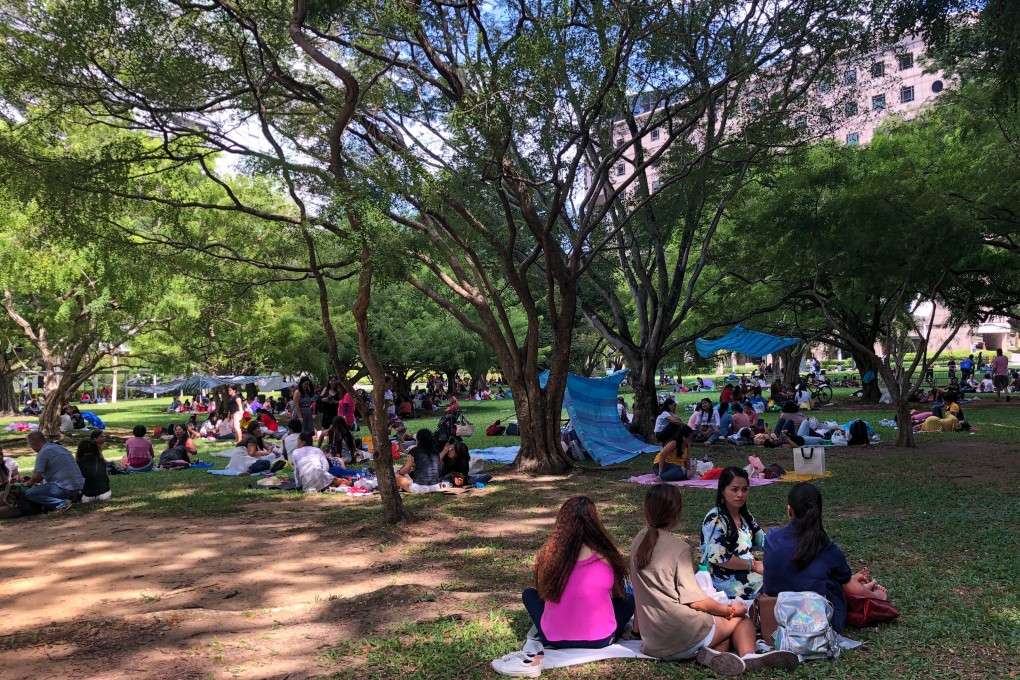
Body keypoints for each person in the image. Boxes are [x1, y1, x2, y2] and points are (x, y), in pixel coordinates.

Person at [630, 484, 797, 674]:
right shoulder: (678, 548)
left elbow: (639, 592)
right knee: (741, 618)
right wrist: (731, 610)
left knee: (721, 631)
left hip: (653, 640)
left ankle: (711, 655)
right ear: (677, 513)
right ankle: (748, 656)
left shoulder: (639, 540)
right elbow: (697, 602)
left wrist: (636, 631)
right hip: (681, 635)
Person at [491, 497, 635, 677]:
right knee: (631, 598)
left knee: (529, 594)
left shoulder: (548, 555)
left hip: (553, 638)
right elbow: (617, 596)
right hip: (602, 639)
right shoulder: (607, 556)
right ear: (595, 522)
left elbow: (544, 593)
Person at [763, 483, 889, 633]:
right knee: (837, 582)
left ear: (789, 510)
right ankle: (860, 586)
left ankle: (852, 582)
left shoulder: (771, 538)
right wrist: (877, 597)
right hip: (816, 622)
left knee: (825, 577)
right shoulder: (827, 549)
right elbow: (848, 588)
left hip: (775, 617)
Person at [701, 467, 764, 600]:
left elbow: (763, 540)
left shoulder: (745, 515)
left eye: (744, 489)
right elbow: (719, 559)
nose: (740, 494)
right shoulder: (714, 519)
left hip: (750, 574)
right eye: (734, 489)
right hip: (726, 582)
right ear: (722, 490)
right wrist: (754, 565)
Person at [23, 431, 84, 513]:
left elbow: (37, 477)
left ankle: (62, 503)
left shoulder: (43, 452)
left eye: (30, 445)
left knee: (30, 493)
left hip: (64, 487)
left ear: (33, 444)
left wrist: (28, 484)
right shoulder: (59, 447)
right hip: (78, 486)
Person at [394, 429, 442, 493]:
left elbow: (406, 469)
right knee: (408, 479)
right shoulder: (436, 452)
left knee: (395, 476)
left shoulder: (415, 451)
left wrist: (398, 473)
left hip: (419, 487)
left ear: (418, 440)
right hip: (435, 486)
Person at [318, 375, 342, 445]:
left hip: (334, 413)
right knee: (323, 431)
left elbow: (341, 401)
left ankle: (331, 447)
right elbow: (319, 399)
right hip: (326, 413)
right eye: (332, 380)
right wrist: (323, 399)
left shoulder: (339, 390)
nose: (333, 382)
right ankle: (318, 447)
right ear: (329, 381)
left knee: (332, 432)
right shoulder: (326, 389)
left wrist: (334, 402)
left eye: (334, 381)